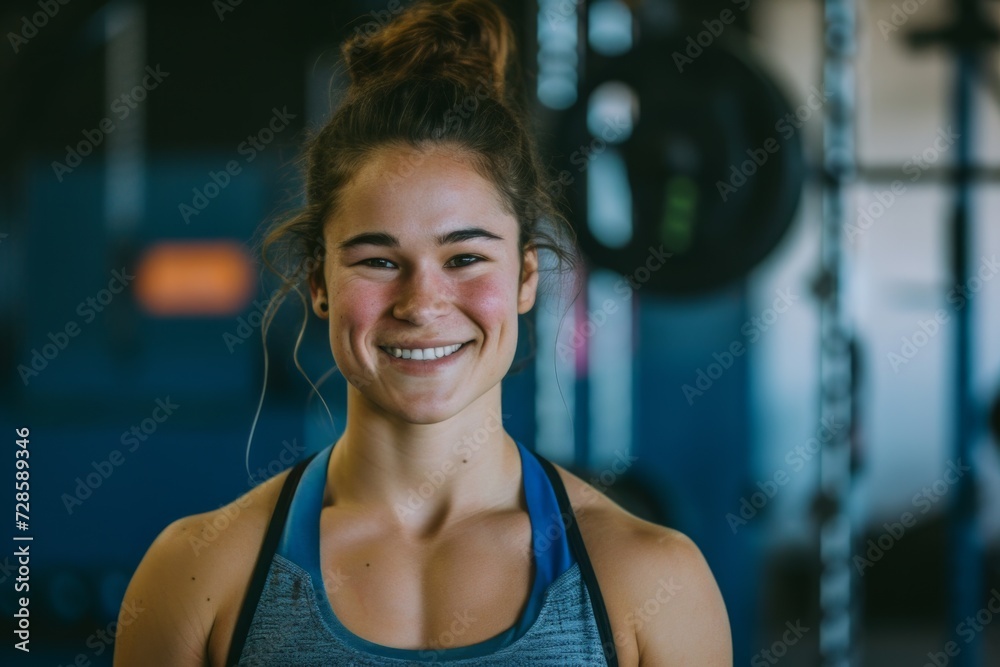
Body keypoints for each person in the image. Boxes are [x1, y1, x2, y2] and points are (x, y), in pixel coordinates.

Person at [113, 0, 732, 664]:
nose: (422, 301)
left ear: (526, 278)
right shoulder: (196, 577)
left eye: (465, 258)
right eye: (379, 260)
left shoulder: (653, 582)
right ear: (319, 283)